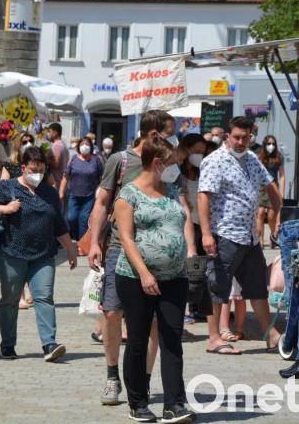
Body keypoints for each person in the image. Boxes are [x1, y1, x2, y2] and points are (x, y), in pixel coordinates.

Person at [86, 110, 170, 405]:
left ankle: (142, 382)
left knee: (152, 322)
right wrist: (95, 241)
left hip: (156, 250)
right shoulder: (120, 161)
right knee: (112, 312)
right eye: (166, 133)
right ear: (152, 134)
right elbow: (101, 201)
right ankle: (112, 377)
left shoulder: (169, 161)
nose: (171, 140)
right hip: (120, 248)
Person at [113, 137, 197, 423]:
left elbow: (182, 222)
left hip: (175, 277)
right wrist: (145, 273)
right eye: (173, 162)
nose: (178, 167)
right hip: (136, 278)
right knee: (137, 340)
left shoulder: (173, 190)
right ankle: (138, 402)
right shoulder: (129, 194)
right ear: (158, 163)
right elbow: (126, 238)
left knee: (172, 338)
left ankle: (175, 403)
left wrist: (190, 256)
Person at [0, 147, 78, 362]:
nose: (37, 174)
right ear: (23, 168)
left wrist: (71, 249)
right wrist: (5, 209)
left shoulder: (48, 192)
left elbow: (59, 224)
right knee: (10, 299)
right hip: (11, 253)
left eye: (41, 170)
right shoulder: (6, 187)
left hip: (43, 255)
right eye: (33, 169)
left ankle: (49, 343)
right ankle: (7, 344)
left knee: (44, 297)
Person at [198, 116, 283, 356]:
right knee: (218, 287)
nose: (240, 141)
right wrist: (206, 234)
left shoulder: (252, 158)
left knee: (257, 288)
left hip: (250, 237)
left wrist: (277, 219)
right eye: (236, 137)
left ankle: (271, 335)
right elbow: (203, 197)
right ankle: (214, 338)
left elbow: (271, 186)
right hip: (224, 234)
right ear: (227, 136)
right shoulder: (215, 161)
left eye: (245, 137)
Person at [178, 134, 236, 354]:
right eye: (196, 151)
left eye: (203, 152)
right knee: (186, 275)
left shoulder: (204, 171)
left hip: (203, 227)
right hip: (184, 227)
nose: (199, 156)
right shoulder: (177, 173)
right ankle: (181, 320)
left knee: (202, 276)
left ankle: (200, 319)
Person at [1, 131, 38, 309]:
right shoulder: (10, 164)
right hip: (16, 213)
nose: (28, 143)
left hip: (36, 213)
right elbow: (2, 186)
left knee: (34, 253)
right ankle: (20, 294)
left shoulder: (38, 163)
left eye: (31, 140)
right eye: (25, 141)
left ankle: (32, 290)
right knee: (19, 255)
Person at [60, 136, 104, 241]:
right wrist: (61, 192)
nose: (84, 146)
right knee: (71, 218)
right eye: (82, 144)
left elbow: (102, 177)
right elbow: (66, 177)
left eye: (87, 144)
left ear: (91, 146)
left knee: (83, 219)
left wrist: (100, 190)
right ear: (79, 146)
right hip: (74, 195)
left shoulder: (96, 159)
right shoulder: (74, 159)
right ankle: (76, 237)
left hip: (90, 195)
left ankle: (82, 242)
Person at [256, 135, 285, 248]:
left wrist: (281, 192)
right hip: (261, 188)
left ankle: (274, 237)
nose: (271, 146)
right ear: (264, 144)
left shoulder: (279, 157)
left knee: (272, 216)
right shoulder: (259, 156)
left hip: (274, 188)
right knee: (260, 213)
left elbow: (282, 176)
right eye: (268, 144)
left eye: (273, 143)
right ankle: (260, 241)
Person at [46, 123, 69, 189]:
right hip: (60, 182)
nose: (48, 134)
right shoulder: (62, 144)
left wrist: (44, 158)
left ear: (55, 132)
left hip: (56, 182)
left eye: (49, 131)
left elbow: (56, 164)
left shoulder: (57, 145)